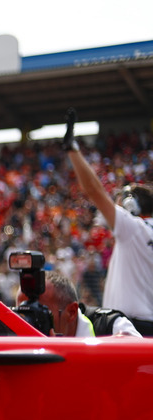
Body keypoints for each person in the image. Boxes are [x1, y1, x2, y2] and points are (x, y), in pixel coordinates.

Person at [61, 108, 153, 336]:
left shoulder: (134, 228)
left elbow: (94, 191)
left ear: (133, 208)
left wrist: (73, 151)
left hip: (130, 328)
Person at [16, 270, 141, 337]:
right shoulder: (11, 341)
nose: (28, 322)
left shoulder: (111, 328)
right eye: (22, 314)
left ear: (71, 312)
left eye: (38, 313)